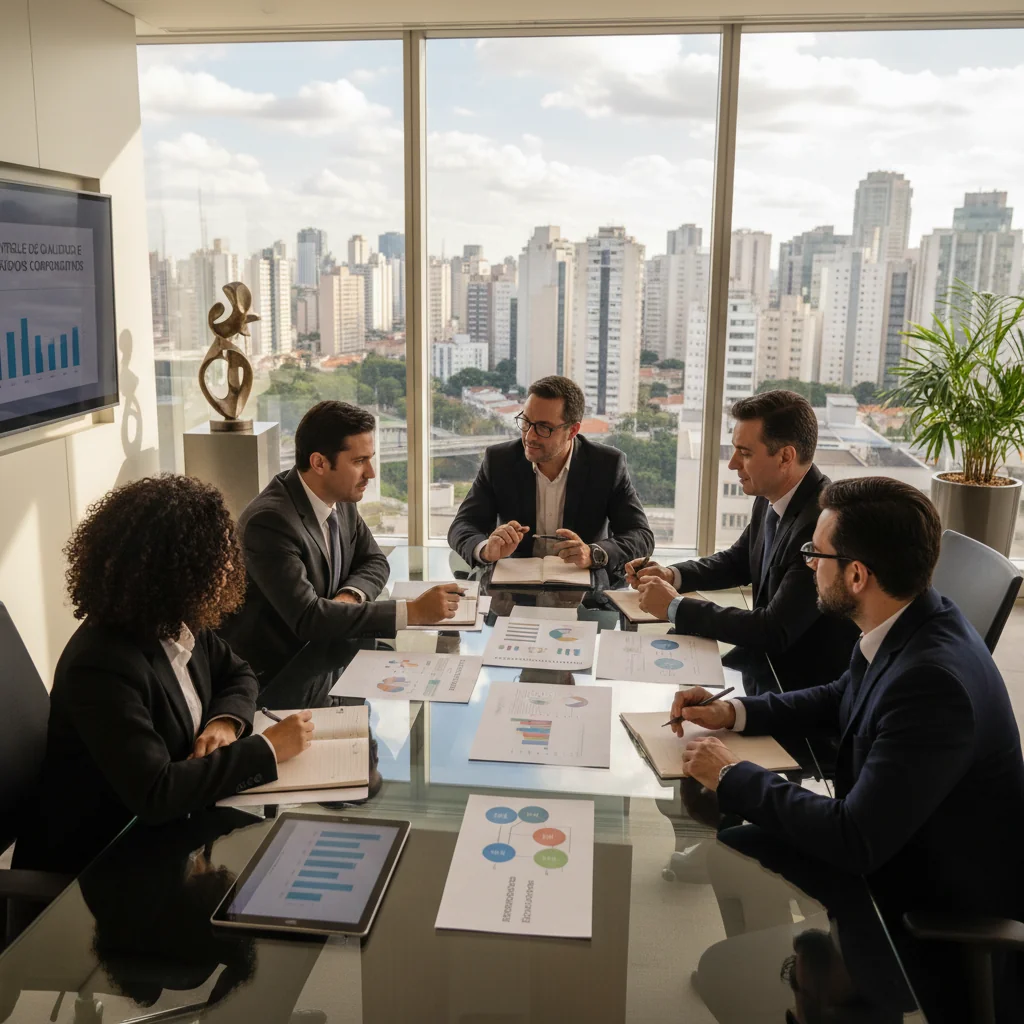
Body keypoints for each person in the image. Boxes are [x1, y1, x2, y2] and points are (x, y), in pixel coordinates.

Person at [669, 477, 1024, 1022]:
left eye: (817, 553)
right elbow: (842, 694)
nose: (808, 563)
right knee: (733, 840)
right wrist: (736, 712)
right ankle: (768, 945)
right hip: (890, 846)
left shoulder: (933, 686)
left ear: (857, 575)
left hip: (916, 905)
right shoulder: (910, 618)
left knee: (733, 831)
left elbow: (854, 839)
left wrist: (735, 772)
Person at [13, 476, 314, 877]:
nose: (229, 565)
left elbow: (238, 673)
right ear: (172, 567)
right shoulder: (101, 664)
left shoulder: (178, 620)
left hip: (175, 838)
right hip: (100, 869)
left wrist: (226, 722)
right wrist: (267, 750)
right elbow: (156, 792)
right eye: (216, 554)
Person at [221, 401, 462, 706]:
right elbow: (309, 619)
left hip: (331, 659)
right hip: (279, 683)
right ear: (320, 463)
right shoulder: (270, 522)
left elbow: (374, 561)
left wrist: (349, 596)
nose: (371, 473)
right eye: (360, 461)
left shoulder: (340, 497)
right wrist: (411, 612)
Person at [627, 390, 857, 685]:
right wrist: (672, 574)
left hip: (796, 689)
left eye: (745, 453)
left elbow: (774, 629)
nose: (733, 463)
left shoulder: (821, 526)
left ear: (786, 456)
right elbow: (738, 561)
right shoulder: (770, 496)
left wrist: (676, 607)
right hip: (761, 669)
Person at [447, 374, 654, 591]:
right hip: (513, 590)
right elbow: (462, 526)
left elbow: (641, 536)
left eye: (543, 428)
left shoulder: (607, 465)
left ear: (572, 431)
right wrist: (486, 549)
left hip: (585, 594)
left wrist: (593, 553)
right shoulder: (500, 460)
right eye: (526, 422)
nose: (529, 436)